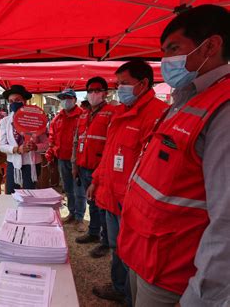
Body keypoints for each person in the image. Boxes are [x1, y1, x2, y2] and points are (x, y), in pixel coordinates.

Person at [118, 5, 230, 307]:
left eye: (174, 49)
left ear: (211, 46)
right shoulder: (185, 100)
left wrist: (199, 297)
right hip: (145, 256)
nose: (165, 60)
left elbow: (227, 221)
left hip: (175, 274)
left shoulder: (223, 109)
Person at [88, 60, 168, 305]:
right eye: (118, 83)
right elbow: (110, 152)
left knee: (133, 253)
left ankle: (130, 296)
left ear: (143, 84)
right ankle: (119, 287)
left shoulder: (157, 114)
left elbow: (153, 167)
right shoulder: (120, 112)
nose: (119, 88)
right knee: (116, 247)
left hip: (133, 203)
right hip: (111, 195)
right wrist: (96, 181)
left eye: (124, 83)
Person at [74, 77, 118, 258]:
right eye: (90, 91)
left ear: (105, 93)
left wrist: (102, 172)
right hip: (83, 165)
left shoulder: (112, 113)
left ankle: (106, 241)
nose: (93, 94)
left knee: (103, 206)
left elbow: (112, 144)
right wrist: (74, 165)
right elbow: (77, 141)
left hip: (100, 168)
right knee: (91, 202)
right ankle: (93, 232)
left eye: (97, 90)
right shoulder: (83, 114)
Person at [45, 88, 85, 231]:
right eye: (63, 98)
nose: (65, 101)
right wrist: (51, 152)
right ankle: (72, 213)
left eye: (68, 98)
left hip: (78, 160)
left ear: (74, 99)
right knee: (68, 188)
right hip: (62, 158)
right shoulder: (58, 118)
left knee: (79, 190)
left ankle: (80, 218)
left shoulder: (82, 116)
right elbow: (52, 136)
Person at [0, 85, 48, 193]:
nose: (14, 103)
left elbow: (46, 144)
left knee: (30, 195)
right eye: (11, 101)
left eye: (17, 100)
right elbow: (2, 146)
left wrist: (36, 147)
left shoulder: (36, 119)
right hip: (13, 164)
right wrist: (16, 149)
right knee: (11, 194)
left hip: (32, 164)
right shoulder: (5, 121)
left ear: (24, 101)